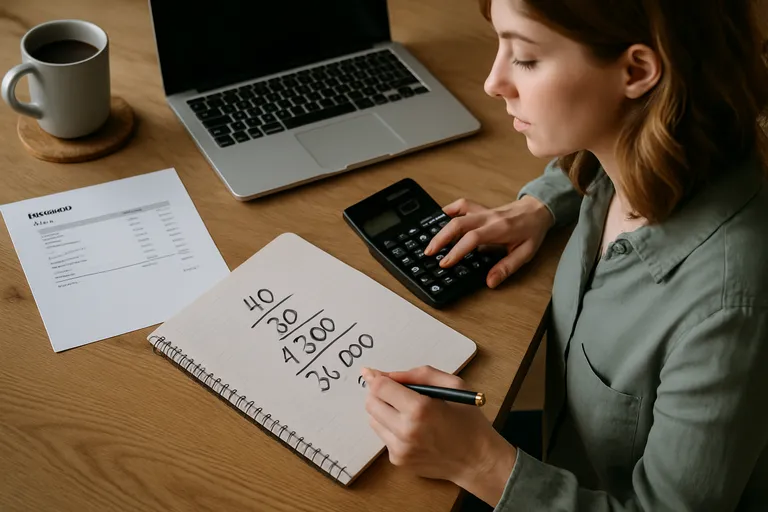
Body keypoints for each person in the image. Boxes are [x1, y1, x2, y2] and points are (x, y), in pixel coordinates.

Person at [359, 0, 768, 510]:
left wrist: (478, 463)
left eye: (526, 59)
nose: (493, 82)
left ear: (637, 70)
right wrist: (541, 203)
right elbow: (605, 142)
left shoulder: (729, 307)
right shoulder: (640, 146)